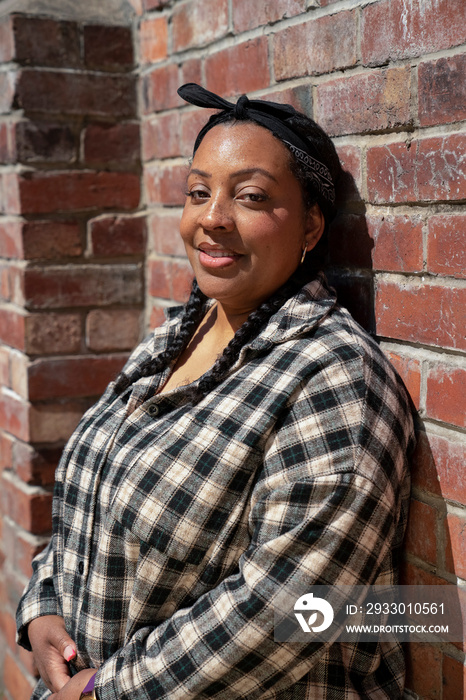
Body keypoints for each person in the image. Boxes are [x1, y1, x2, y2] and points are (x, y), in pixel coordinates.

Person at [16, 83, 415, 700]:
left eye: (250, 196)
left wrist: (110, 691)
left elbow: (286, 612)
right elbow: (89, 492)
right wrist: (42, 603)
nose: (212, 218)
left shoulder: (335, 379)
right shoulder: (174, 337)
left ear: (311, 225)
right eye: (198, 192)